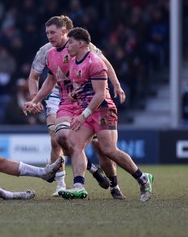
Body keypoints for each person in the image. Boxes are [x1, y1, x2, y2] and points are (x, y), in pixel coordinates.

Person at [27, 15, 126, 199]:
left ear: (65, 32)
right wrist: (35, 99)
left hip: (85, 96)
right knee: (58, 138)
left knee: (102, 149)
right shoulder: (45, 52)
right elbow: (37, 77)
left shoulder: (83, 48)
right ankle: (62, 184)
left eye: (52, 32)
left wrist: (116, 85)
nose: (49, 36)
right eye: (47, 33)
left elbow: (104, 64)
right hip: (60, 96)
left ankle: (113, 182)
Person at [59, 27, 153, 202]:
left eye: (70, 42)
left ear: (81, 44)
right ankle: (79, 186)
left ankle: (142, 178)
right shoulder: (72, 62)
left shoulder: (95, 62)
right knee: (74, 144)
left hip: (103, 110)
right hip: (85, 111)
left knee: (109, 150)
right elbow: (82, 86)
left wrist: (83, 115)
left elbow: (100, 94)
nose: (67, 46)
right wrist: (75, 94)